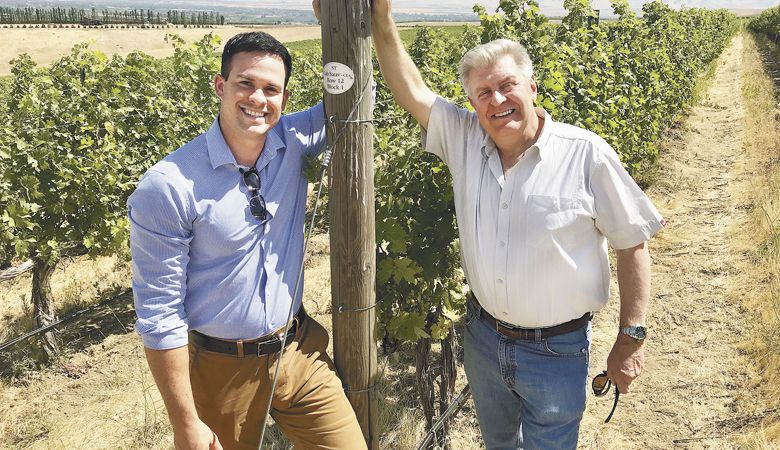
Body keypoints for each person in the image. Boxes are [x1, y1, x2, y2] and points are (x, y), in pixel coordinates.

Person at [368, 1, 664, 448]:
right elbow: (411, 89)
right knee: (498, 443)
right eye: (483, 93)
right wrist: (380, 18)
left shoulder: (586, 154)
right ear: (471, 104)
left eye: (507, 85)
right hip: (483, 341)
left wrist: (630, 339)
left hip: (556, 351)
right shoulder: (466, 140)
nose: (498, 100)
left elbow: (632, 245)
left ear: (532, 86)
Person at [128, 31, 366, 450]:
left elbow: (358, 93)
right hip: (220, 369)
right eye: (245, 83)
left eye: (271, 89)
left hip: (297, 351)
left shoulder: (293, 139)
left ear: (285, 99)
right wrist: (185, 423)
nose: (258, 98)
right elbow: (159, 314)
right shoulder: (168, 186)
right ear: (220, 86)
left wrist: (337, 20)